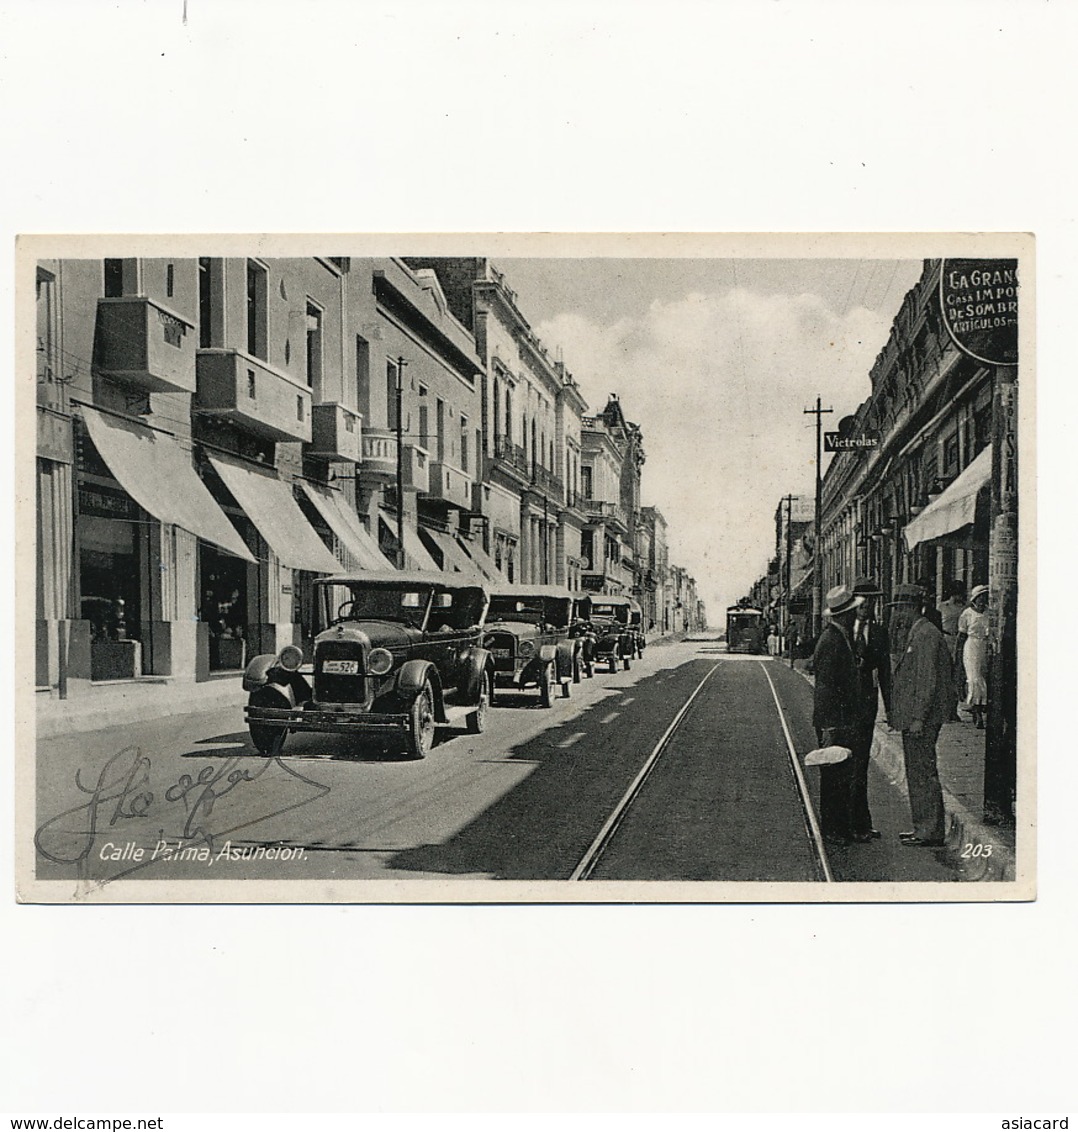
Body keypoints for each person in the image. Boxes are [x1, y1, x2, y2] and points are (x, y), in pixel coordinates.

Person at [888, 583, 955, 847]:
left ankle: (929, 829)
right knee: (917, 771)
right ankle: (923, 826)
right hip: (916, 718)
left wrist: (918, 717)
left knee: (921, 772)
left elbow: (926, 681)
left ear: (909, 609)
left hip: (922, 720)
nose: (896, 616)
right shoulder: (919, 632)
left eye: (899, 609)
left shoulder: (925, 635)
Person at [811, 584, 862, 845]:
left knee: (842, 775)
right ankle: (832, 829)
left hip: (840, 719)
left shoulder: (839, 637)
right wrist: (828, 726)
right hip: (833, 721)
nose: (856, 615)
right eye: (853, 611)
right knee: (834, 777)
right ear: (844, 615)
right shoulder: (832, 641)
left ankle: (842, 827)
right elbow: (825, 687)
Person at [848, 577, 892, 842]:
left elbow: (885, 672)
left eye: (871, 602)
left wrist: (890, 709)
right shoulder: (842, 630)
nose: (866, 607)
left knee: (861, 765)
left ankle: (862, 823)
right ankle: (845, 823)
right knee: (844, 765)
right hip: (843, 710)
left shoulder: (878, 633)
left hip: (866, 707)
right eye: (862, 602)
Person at [957, 583, 990, 729]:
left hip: (986, 647)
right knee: (974, 678)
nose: (982, 600)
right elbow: (961, 635)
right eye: (980, 597)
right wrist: (957, 653)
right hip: (971, 647)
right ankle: (977, 713)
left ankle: (980, 707)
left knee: (984, 678)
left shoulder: (990, 612)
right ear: (975, 599)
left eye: (984, 597)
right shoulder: (967, 613)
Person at [939, 582, 967, 719]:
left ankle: (953, 710)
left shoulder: (966, 607)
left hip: (961, 643)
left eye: (960, 593)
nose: (958, 596)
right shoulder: (942, 606)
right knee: (945, 676)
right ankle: (945, 710)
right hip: (946, 641)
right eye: (955, 593)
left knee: (957, 677)